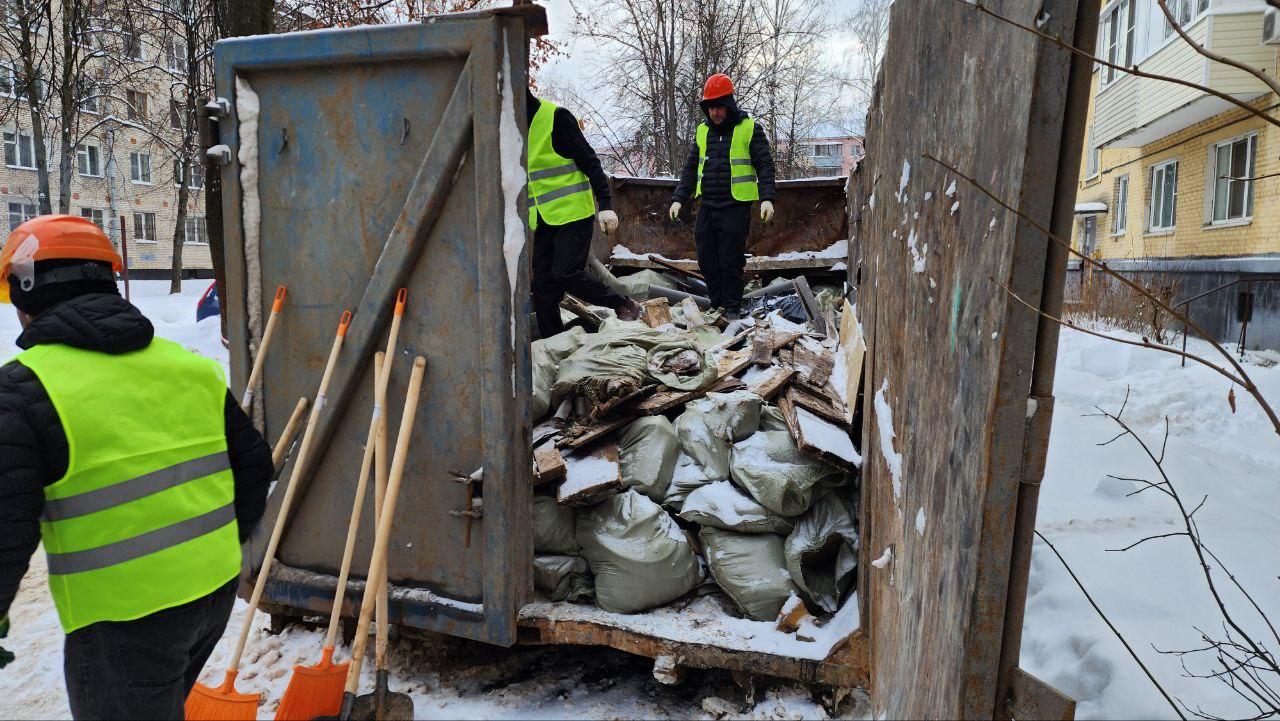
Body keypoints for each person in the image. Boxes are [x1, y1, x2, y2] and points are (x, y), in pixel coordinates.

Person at [0, 215, 274, 720]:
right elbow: (255, 468)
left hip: (122, 621)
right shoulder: (190, 366)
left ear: (24, 293)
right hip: (212, 595)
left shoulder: (23, 390)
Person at [527, 89, 642, 338]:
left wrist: (606, 204)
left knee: (566, 273)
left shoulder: (555, 118)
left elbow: (590, 161)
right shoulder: (511, 127)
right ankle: (553, 342)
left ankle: (623, 304)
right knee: (543, 286)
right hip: (544, 218)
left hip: (573, 213)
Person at [669, 73, 777, 319]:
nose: (714, 113)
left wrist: (767, 197)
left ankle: (731, 308)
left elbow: (765, 165)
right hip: (707, 205)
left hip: (735, 206)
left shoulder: (749, 128)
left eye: (719, 107)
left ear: (729, 105)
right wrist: (678, 198)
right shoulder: (702, 131)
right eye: (710, 108)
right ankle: (717, 304)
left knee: (730, 260)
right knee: (707, 259)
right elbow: (690, 167)